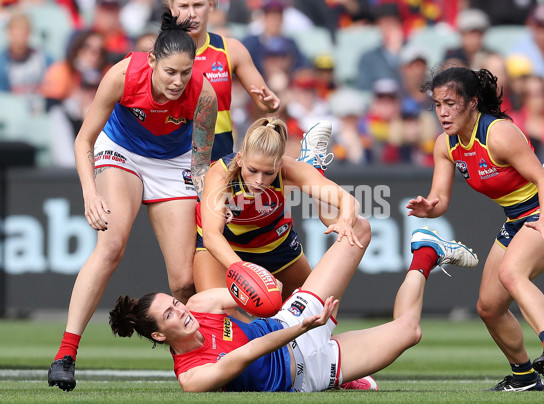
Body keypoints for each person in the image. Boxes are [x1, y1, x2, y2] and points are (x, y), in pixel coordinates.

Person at [47, 12, 218, 392]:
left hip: (173, 164)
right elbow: (83, 141)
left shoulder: (204, 95)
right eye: (170, 72)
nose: (177, 82)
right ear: (153, 60)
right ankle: (65, 355)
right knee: (110, 247)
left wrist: (210, 204)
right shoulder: (123, 75)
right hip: (120, 151)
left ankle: (198, 359)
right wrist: (91, 192)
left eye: (185, 73)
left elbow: (201, 165)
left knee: (184, 280)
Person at [107, 227, 479, 392]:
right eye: (170, 314)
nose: (181, 310)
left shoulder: (200, 304)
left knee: (358, 232)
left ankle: (308, 167)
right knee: (409, 331)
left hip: (287, 320)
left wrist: (276, 298)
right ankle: (426, 254)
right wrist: (304, 326)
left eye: (174, 303)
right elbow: (249, 352)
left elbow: (255, 297)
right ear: (158, 334)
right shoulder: (192, 376)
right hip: (306, 372)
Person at [407, 67, 544, 391]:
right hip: (516, 220)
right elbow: (440, 199)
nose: (442, 112)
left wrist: (543, 220)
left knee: (512, 273)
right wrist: (429, 208)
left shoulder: (498, 133)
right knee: (488, 307)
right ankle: (525, 378)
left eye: (450, 103)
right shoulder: (445, 145)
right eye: (437, 104)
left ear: (473, 102)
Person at [194, 116, 359, 299]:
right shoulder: (219, 174)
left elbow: (347, 199)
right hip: (226, 243)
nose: (259, 180)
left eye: (268, 173)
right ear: (239, 159)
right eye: (253, 170)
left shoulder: (289, 169)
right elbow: (211, 236)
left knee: (310, 307)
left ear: (279, 165)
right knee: (215, 313)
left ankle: (312, 166)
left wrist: (345, 221)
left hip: (272, 241)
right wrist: (247, 273)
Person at [168, 0, 280, 162]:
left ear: (211, 6)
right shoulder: (159, 53)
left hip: (219, 155)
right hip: (172, 156)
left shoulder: (231, 49)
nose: (191, 14)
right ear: (172, 9)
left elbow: (264, 102)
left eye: (198, 5)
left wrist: (269, 103)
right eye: (184, 6)